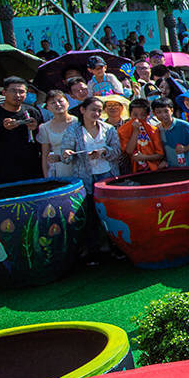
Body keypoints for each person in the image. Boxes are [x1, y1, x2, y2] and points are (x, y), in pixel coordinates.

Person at [63, 95, 123, 265]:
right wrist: (66, 153)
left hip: (107, 175)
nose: (96, 113)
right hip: (85, 177)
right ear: (82, 110)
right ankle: (94, 252)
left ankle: (116, 248)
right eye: (93, 110)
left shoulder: (109, 129)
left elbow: (117, 152)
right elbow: (66, 155)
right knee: (90, 216)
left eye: (98, 110)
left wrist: (103, 152)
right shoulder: (73, 130)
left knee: (111, 213)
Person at [0, 77, 42, 186]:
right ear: (4, 92)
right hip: (6, 169)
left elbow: (42, 141)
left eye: (21, 92)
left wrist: (35, 129)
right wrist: (3, 128)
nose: (18, 95)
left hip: (33, 168)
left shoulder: (32, 112)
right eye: (13, 91)